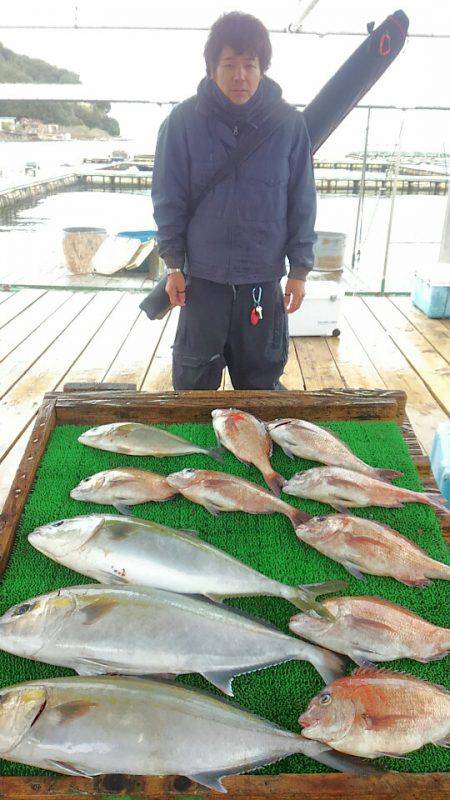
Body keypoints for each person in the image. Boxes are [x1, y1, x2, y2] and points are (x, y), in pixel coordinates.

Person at [151, 11, 317, 390]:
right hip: (203, 281)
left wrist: (300, 270)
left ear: (263, 69)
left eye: (249, 65)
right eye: (229, 65)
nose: (239, 75)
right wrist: (173, 263)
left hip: (261, 280)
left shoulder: (289, 126)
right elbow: (168, 198)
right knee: (192, 384)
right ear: (212, 69)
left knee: (260, 385)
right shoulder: (181, 122)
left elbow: (302, 201)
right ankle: (198, 449)